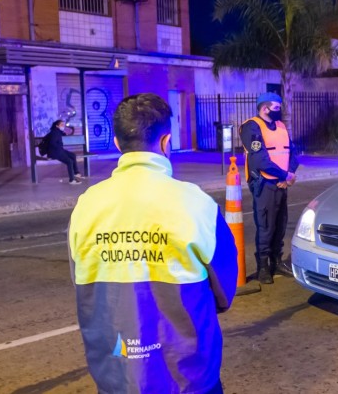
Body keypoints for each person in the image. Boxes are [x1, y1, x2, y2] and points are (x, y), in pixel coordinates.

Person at [68, 93, 238, 393]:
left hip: (116, 378)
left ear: (118, 144)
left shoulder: (86, 206)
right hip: (188, 378)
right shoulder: (195, 203)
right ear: (166, 142)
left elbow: (82, 282)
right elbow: (224, 291)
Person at [240, 92, 299, 284]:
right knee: (265, 226)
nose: (279, 111)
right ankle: (263, 267)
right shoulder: (252, 127)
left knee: (280, 225)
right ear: (265, 108)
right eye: (276, 107)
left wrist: (288, 174)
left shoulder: (281, 126)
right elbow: (259, 159)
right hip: (265, 184)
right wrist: (285, 175)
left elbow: (292, 152)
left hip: (281, 183)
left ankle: (277, 262)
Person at [46, 120, 84, 184]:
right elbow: (53, 143)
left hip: (59, 150)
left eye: (63, 125)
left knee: (72, 155)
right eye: (61, 125)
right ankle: (72, 180)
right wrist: (59, 149)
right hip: (55, 152)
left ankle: (76, 173)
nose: (63, 126)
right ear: (57, 126)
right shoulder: (55, 133)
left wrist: (64, 133)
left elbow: (62, 133)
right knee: (69, 161)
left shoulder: (57, 131)